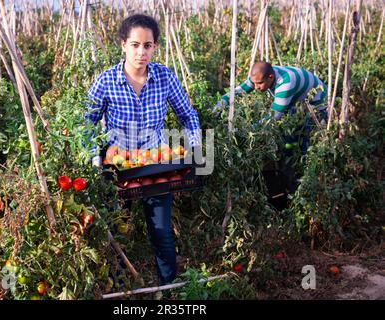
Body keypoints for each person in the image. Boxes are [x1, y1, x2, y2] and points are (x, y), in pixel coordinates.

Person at [83, 14, 201, 286]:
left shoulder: (164, 77)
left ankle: (168, 288)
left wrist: (194, 144)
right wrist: (93, 155)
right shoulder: (107, 81)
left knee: (161, 231)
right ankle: (119, 285)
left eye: (147, 45)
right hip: (118, 165)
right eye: (135, 44)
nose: (141, 52)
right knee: (115, 229)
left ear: (154, 47)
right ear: (123, 44)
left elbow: (187, 114)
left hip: (155, 163)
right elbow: (85, 121)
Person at [217, 61, 328, 154]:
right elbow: (239, 90)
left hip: (317, 98)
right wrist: (219, 105)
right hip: (297, 99)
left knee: (307, 136)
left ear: (270, 77)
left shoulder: (285, 84)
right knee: (289, 136)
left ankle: (303, 166)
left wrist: (246, 132)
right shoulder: (260, 75)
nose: (256, 88)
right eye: (254, 83)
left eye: (259, 83)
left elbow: (273, 118)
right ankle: (290, 155)